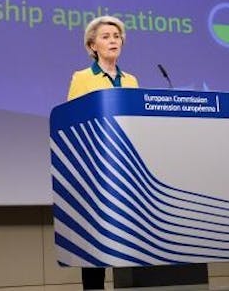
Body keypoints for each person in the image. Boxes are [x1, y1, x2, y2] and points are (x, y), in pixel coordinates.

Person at [67, 15, 138, 290]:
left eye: (117, 36)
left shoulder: (131, 80)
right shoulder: (82, 78)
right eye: (106, 36)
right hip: (95, 171)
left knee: (129, 238)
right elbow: (74, 121)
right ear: (92, 45)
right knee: (95, 242)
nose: (113, 40)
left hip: (129, 170)